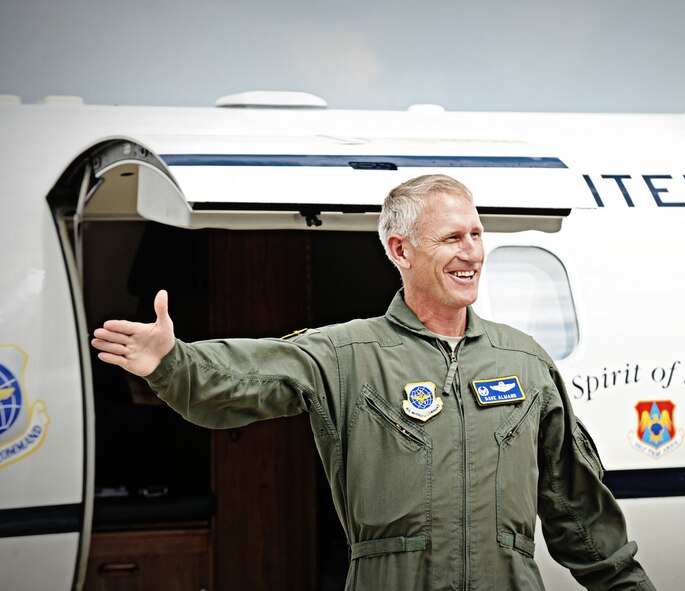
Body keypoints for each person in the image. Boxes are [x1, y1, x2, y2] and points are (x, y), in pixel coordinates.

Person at [92, 174, 655, 590]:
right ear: (400, 250)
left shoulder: (524, 362)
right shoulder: (347, 353)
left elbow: (579, 514)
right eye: (452, 238)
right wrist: (172, 362)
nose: (471, 253)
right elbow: (248, 377)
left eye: (476, 235)